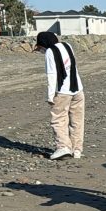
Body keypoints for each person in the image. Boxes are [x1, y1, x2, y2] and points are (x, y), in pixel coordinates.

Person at [35, 32, 85, 160]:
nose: (41, 50)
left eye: (40, 48)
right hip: (77, 88)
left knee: (59, 119)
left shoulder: (50, 52)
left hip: (62, 91)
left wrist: (50, 95)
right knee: (77, 120)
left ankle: (63, 147)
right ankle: (77, 149)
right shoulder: (67, 45)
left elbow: (52, 75)